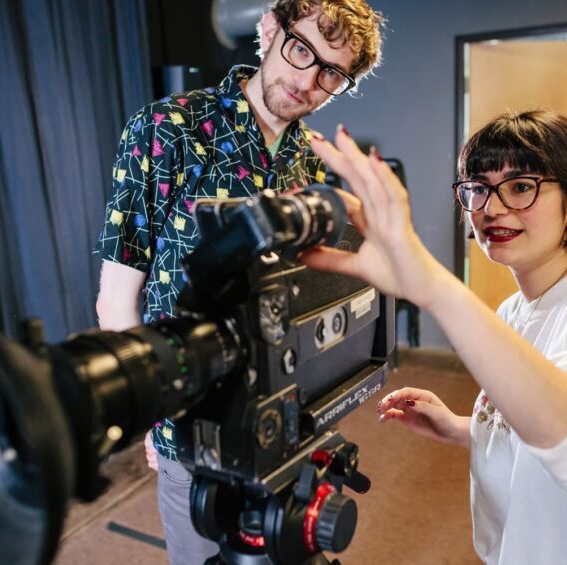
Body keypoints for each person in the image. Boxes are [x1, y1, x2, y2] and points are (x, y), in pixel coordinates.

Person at [300, 110, 567, 564]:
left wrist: (433, 287)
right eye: (478, 188)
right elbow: (535, 426)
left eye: (520, 187)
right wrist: (466, 428)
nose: (492, 208)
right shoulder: (515, 310)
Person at [93, 1, 384, 563]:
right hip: (198, 424)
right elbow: (116, 298)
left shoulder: (309, 160)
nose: (308, 81)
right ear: (270, 29)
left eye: (332, 73)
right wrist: (154, 412)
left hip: (287, 420)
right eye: (302, 51)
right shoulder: (166, 129)